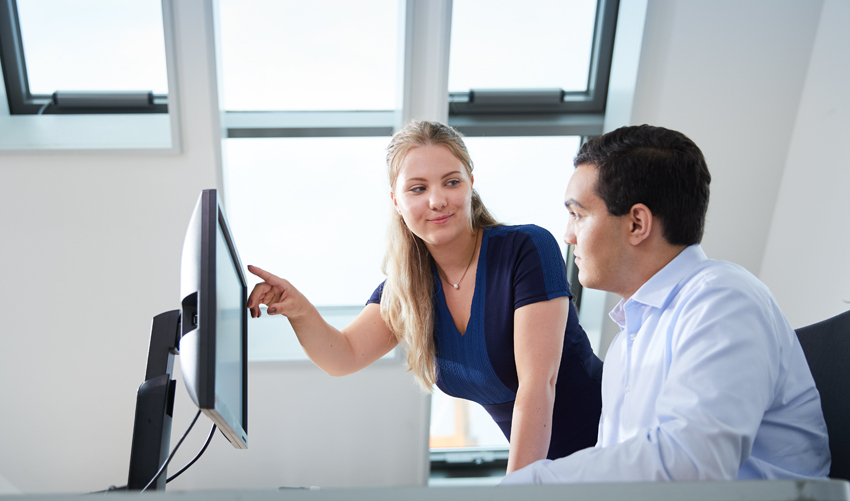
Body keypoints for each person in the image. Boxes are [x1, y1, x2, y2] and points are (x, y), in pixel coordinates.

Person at [247, 120, 603, 473]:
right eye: (417, 189)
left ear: (471, 185)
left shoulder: (525, 249)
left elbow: (539, 384)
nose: (437, 201)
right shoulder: (406, 290)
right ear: (396, 201)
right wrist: (297, 308)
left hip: (612, 447)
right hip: (550, 472)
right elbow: (343, 356)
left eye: (451, 182)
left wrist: (520, 488)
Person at [501, 124, 831, 484]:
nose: (567, 235)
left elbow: (692, 464)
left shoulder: (723, 300)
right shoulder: (626, 343)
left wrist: (532, 483)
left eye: (578, 214)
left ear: (637, 223)